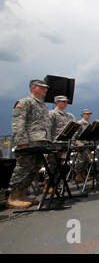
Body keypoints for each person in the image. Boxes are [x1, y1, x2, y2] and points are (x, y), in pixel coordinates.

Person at [7, 79, 51, 209]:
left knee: (34, 168)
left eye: (45, 88)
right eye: (42, 87)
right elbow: (18, 123)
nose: (45, 89)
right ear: (33, 88)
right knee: (23, 168)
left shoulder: (42, 105)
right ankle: (13, 196)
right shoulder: (24, 102)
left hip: (40, 142)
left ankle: (22, 194)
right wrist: (21, 142)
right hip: (29, 142)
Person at [73, 109, 92, 183]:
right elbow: (75, 134)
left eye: (89, 114)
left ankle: (83, 173)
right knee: (81, 160)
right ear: (82, 115)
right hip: (80, 144)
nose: (88, 115)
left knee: (87, 160)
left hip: (87, 144)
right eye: (86, 114)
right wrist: (76, 143)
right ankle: (78, 174)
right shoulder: (79, 123)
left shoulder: (90, 124)